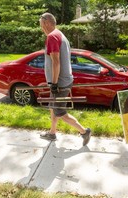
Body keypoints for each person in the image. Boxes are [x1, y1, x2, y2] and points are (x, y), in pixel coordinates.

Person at [39, 13, 91, 145]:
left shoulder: (52, 37)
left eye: (41, 24)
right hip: (61, 80)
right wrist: (52, 82)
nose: (41, 28)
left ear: (46, 23)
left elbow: (56, 62)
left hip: (60, 83)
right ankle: (52, 133)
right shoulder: (60, 34)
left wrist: (55, 84)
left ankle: (84, 132)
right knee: (52, 107)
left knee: (60, 112)